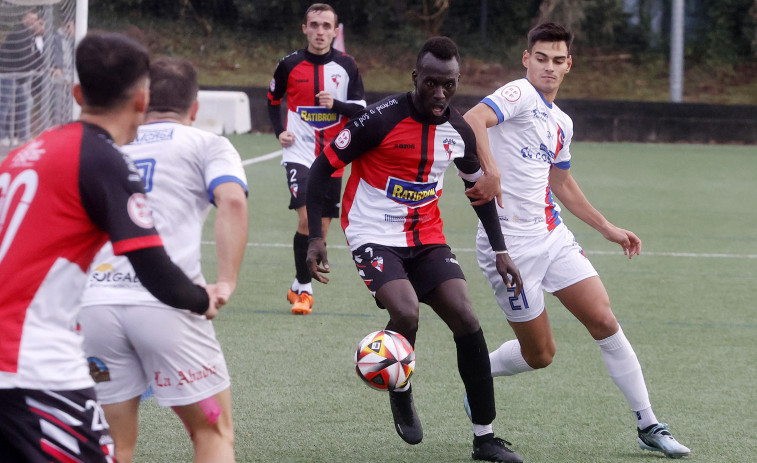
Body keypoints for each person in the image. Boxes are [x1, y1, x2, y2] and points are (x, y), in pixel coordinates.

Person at [463, 22, 691, 459]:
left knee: (604, 321)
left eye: (558, 60)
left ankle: (648, 424)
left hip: (552, 236)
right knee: (540, 354)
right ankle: (479, 373)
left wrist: (607, 228)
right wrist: (490, 170)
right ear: (526, 59)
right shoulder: (519, 94)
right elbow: (474, 118)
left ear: (569, 65)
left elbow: (561, 183)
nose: (549, 67)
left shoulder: (561, 121)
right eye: (541, 58)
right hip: (508, 248)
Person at [0, 32, 220, 463]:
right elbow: (153, 266)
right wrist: (201, 298)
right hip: (33, 365)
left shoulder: (23, 154)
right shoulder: (102, 158)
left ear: (77, 92)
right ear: (143, 100)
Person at [306, 36, 525, 463]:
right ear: (415, 78)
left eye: (449, 85)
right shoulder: (377, 120)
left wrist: (501, 251)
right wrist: (317, 235)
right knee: (406, 312)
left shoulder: (459, 131)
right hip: (372, 234)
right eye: (431, 84)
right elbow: (321, 169)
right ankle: (400, 385)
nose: (440, 94)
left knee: (466, 317)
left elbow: (478, 193)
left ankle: (485, 438)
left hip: (426, 238)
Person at [78, 56, 248, 463]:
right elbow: (232, 202)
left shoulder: (107, 145)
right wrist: (226, 283)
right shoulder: (208, 144)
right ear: (194, 108)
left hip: (95, 307)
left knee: (113, 446)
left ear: (143, 100)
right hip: (168, 303)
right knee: (213, 432)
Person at [267, 2, 365, 315]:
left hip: (333, 155)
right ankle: (306, 290)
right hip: (298, 152)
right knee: (307, 218)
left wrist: (337, 105)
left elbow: (361, 109)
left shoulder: (347, 65)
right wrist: (279, 131)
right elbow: (272, 100)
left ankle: (297, 285)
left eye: (326, 26)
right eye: (314, 25)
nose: (320, 31)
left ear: (335, 31)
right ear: (305, 29)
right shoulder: (289, 64)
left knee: (320, 228)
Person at [0, 10, 44, 145]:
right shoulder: (18, 33)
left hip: (21, 77)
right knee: (5, 105)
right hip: (9, 75)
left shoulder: (30, 35)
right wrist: (38, 67)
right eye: (29, 18)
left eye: (34, 19)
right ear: (23, 18)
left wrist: (40, 66)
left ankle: (23, 136)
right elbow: (24, 56)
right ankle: (2, 136)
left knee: (25, 103)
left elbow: (33, 56)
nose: (32, 21)